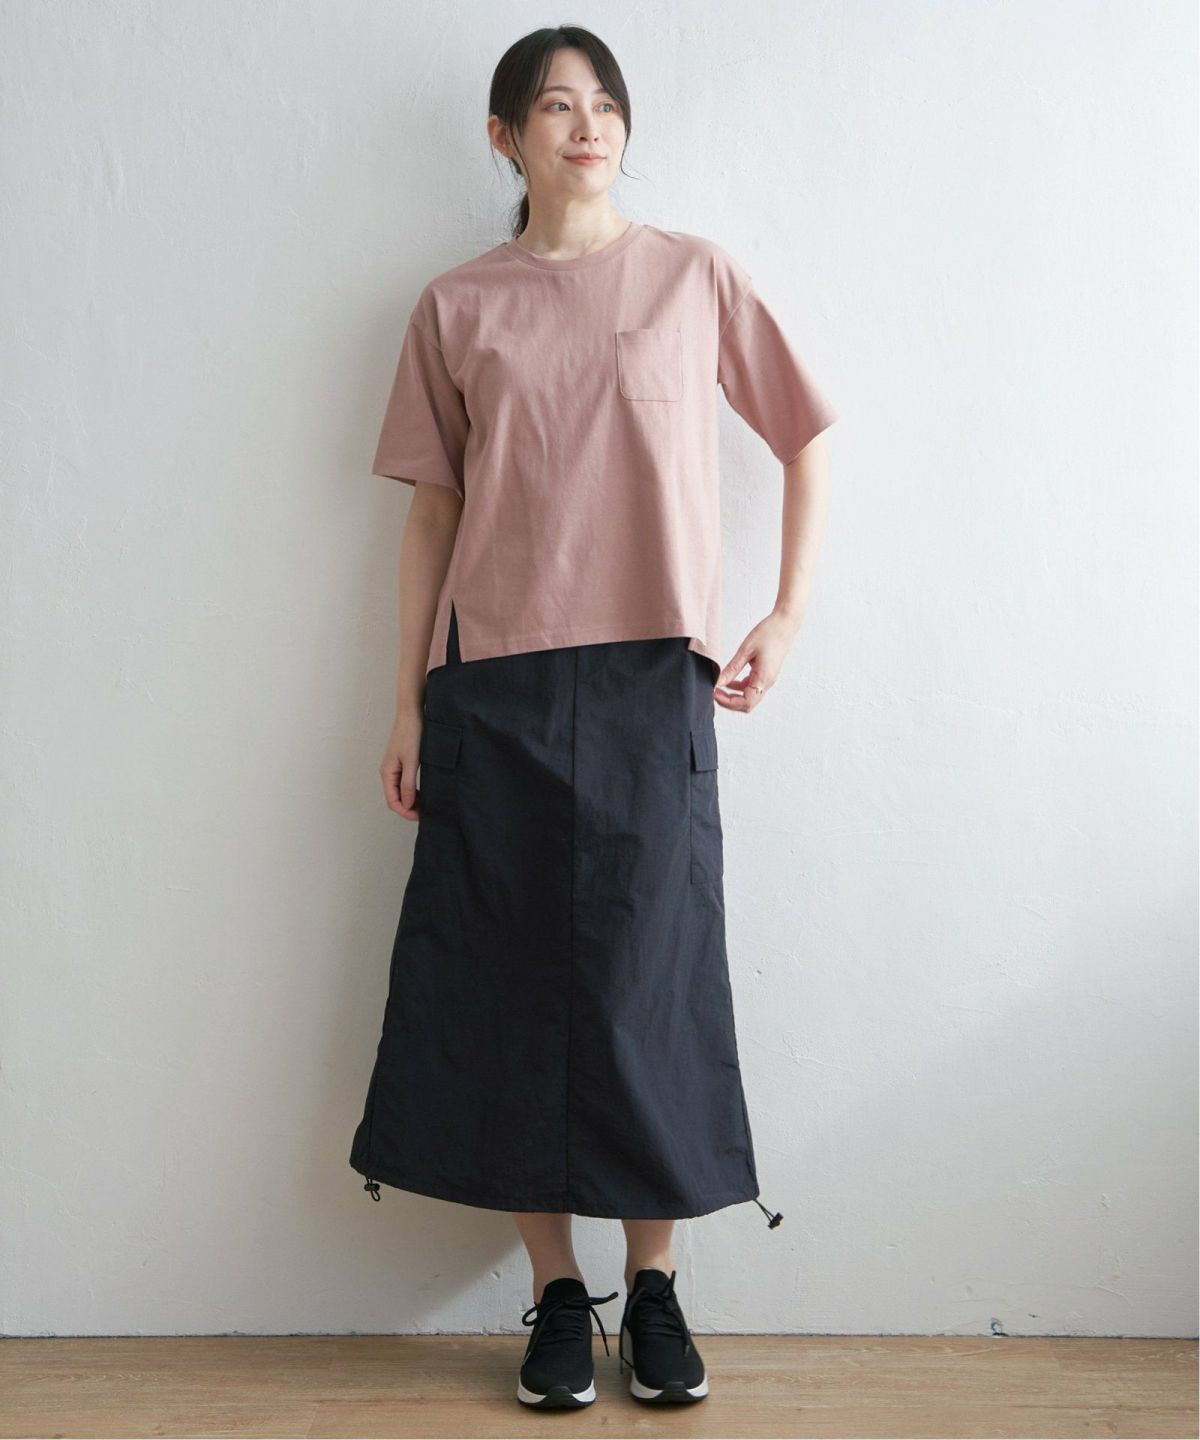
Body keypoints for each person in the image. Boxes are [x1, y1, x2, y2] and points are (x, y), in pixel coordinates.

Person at [349, 24, 839, 1411]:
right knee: (508, 985)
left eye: (606, 103)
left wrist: (786, 614)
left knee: (648, 985)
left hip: (647, 679)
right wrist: (405, 702)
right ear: (504, 137)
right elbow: (432, 512)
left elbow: (806, 433)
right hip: (494, 680)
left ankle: (658, 1288)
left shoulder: (693, 276)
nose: (589, 125)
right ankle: (559, 1293)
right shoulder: (456, 306)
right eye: (557, 105)